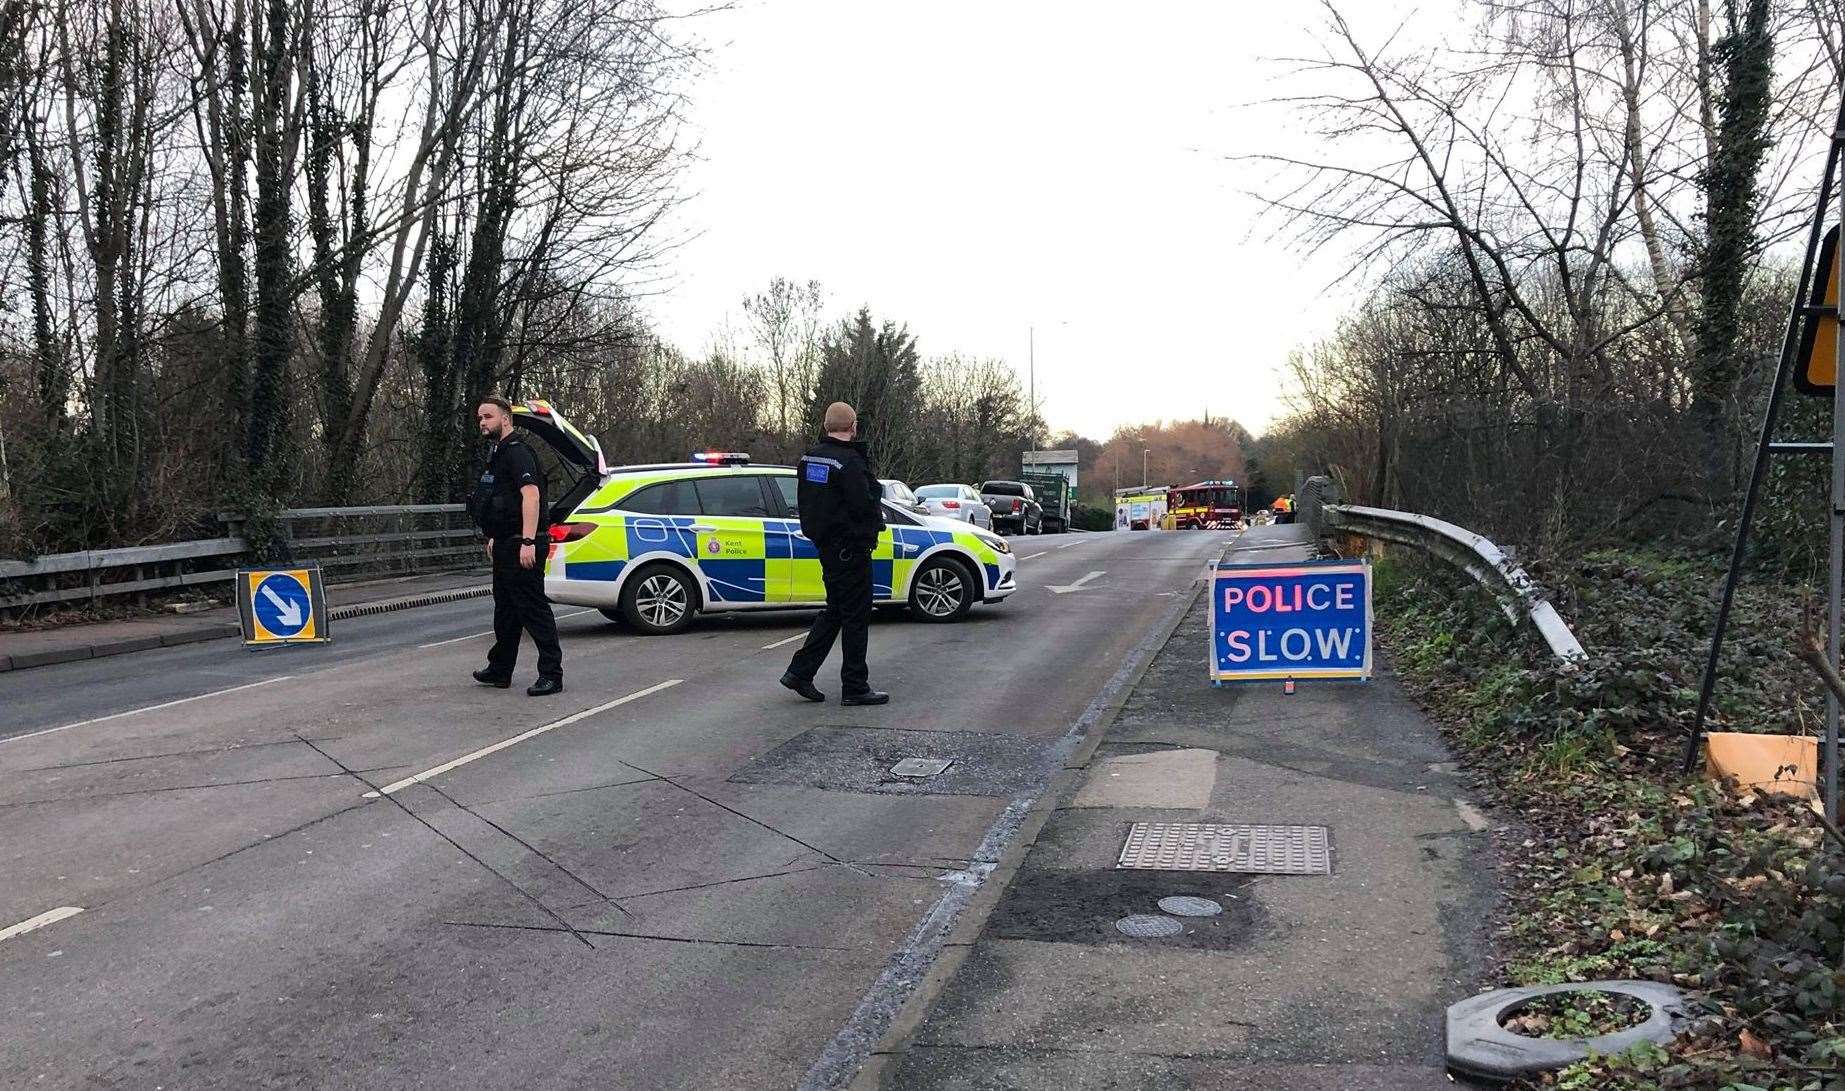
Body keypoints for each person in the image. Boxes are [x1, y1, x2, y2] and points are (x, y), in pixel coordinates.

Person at [780, 402, 889, 706]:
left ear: (826, 426)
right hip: (850, 549)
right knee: (856, 616)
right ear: (853, 427)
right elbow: (862, 505)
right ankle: (855, 686)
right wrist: (872, 525)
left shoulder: (810, 459)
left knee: (837, 610)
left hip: (826, 547)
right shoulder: (850, 462)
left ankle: (800, 672)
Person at [469, 396, 564, 696]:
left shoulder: (519, 452)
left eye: (488, 417)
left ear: (506, 419)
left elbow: (531, 497)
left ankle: (551, 674)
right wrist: (495, 535)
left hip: (522, 544)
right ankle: (500, 669)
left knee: (533, 611)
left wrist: (527, 540)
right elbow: (502, 501)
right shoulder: (498, 453)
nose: (483, 422)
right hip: (505, 544)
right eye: (480, 418)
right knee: (506, 612)